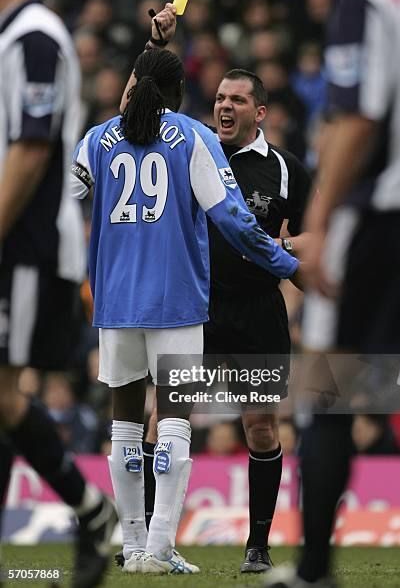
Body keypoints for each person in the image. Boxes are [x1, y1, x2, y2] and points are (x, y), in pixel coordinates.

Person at [71, 41, 303, 574]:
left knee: (126, 425)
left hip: (113, 303)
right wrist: (289, 266)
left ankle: (129, 550)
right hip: (175, 302)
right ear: (181, 91)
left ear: (134, 82)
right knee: (174, 419)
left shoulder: (98, 139)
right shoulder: (194, 138)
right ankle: (157, 548)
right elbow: (235, 221)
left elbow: (65, 191)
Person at [266, 0, 400, 586]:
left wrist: (320, 218)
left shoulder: (365, 1)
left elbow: (358, 116)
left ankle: (314, 572)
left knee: (327, 390)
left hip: (379, 217)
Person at [0, 0, 117, 587]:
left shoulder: (33, 37)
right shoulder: (13, 38)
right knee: (1, 399)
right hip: (16, 244)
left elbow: (30, 148)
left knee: (2, 396)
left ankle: (92, 511)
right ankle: (94, 512)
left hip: (27, 247)